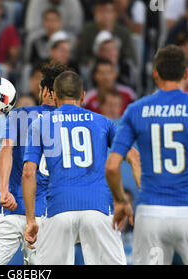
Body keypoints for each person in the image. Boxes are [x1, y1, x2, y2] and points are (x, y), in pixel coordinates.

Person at [106, 45, 188, 265]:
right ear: (186, 73)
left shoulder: (136, 110)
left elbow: (112, 165)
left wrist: (120, 201)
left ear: (155, 73)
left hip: (151, 212)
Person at [22, 70, 140, 265]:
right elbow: (134, 157)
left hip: (58, 208)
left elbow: (28, 173)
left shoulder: (39, 124)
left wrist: (31, 219)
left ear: (54, 96)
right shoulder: (103, 122)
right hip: (99, 208)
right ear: (83, 95)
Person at [0, 62, 68, 265]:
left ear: (43, 89)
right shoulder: (74, 122)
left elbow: (6, 148)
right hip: (50, 215)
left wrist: (3, 190)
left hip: (12, 207)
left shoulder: (21, 114)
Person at [77, 0, 137, 67]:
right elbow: (81, 56)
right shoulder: (88, 30)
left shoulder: (124, 33)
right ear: (95, 14)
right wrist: (93, 62)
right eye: (100, 11)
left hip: (117, 68)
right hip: (94, 69)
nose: (104, 15)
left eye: (108, 11)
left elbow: (131, 58)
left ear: (115, 14)